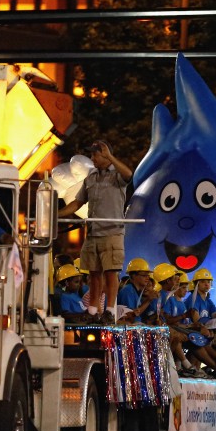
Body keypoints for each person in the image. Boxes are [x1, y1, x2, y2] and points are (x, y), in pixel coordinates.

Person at [59, 139, 132, 325]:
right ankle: (92, 310)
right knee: (93, 273)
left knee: (111, 273)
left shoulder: (117, 176)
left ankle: (109, 310)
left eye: (95, 155)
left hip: (112, 232)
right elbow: (77, 202)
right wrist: (56, 214)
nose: (92, 158)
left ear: (106, 155)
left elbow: (129, 174)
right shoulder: (90, 178)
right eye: (91, 155)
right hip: (93, 233)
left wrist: (110, 157)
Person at [117, 258, 155, 323]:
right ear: (134, 276)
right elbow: (130, 316)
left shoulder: (136, 291)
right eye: (144, 275)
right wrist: (148, 300)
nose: (147, 278)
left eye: (148, 275)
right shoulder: (128, 291)